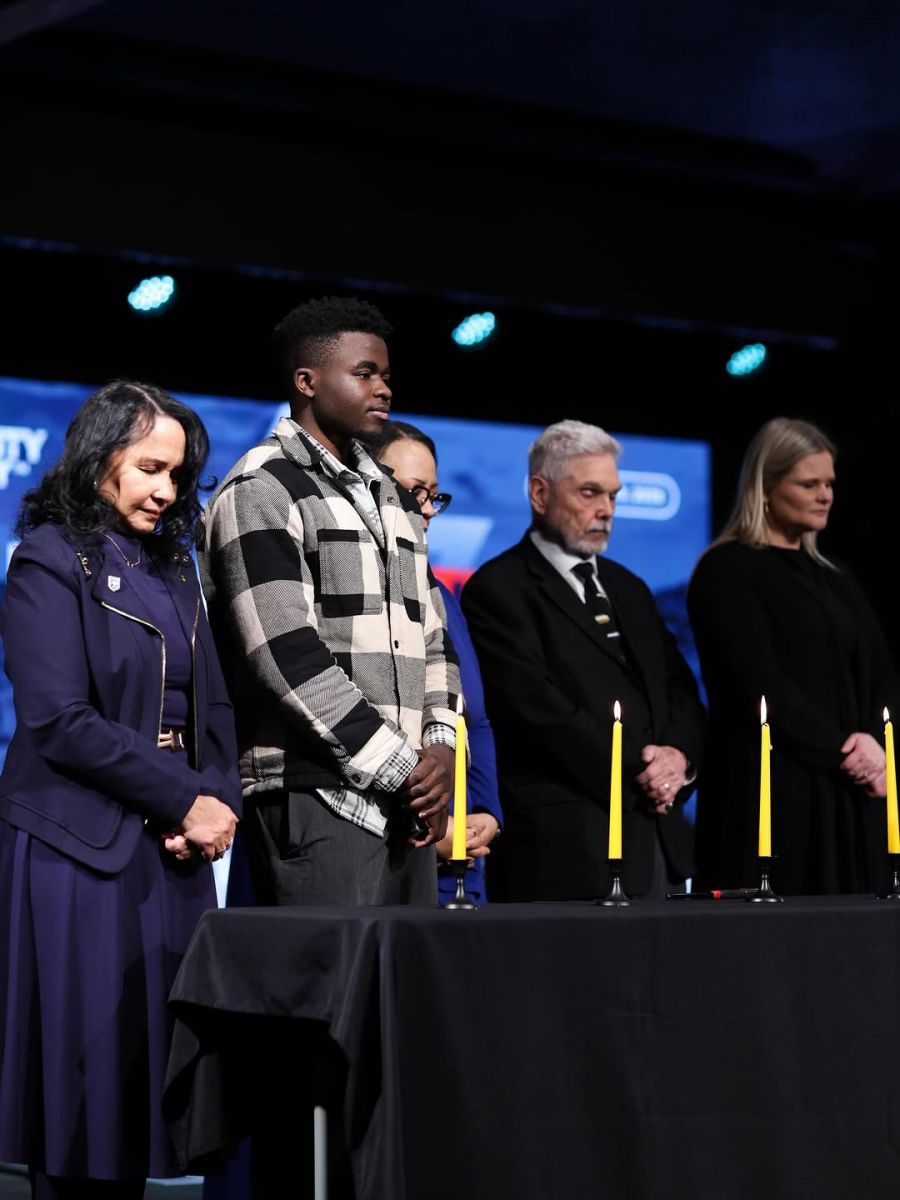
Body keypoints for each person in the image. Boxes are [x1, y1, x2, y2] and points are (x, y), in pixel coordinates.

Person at [0, 380, 241, 1200]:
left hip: (170, 857)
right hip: (79, 849)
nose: (166, 491)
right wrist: (183, 799)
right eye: (149, 469)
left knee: (141, 1098)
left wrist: (216, 800)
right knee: (80, 1106)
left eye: (177, 474)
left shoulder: (176, 565)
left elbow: (215, 706)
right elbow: (57, 719)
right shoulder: (47, 558)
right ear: (99, 458)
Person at [199, 296, 460, 909]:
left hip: (410, 800)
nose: (383, 389)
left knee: (403, 972)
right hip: (315, 792)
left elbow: (434, 636)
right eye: (364, 373)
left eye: (386, 375)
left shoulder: (393, 496)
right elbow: (283, 654)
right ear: (307, 382)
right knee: (328, 973)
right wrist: (401, 766)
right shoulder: (261, 486)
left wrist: (441, 747)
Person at [461, 419, 705, 901]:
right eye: (590, 493)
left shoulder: (629, 587)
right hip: (566, 850)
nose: (606, 510)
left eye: (613, 495)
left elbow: (680, 689)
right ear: (539, 493)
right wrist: (644, 770)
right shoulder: (497, 589)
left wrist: (678, 759)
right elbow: (537, 712)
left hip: (658, 840)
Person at [687, 416, 900, 895]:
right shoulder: (725, 571)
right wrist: (848, 754)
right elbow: (756, 683)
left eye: (829, 484)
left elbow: (884, 674)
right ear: (765, 487)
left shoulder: (836, 576)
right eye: (809, 484)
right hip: (774, 790)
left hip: (851, 791)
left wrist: (876, 743)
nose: (825, 495)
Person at [370, 419, 502, 904]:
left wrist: (485, 812)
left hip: (461, 860)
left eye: (434, 496)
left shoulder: (443, 598)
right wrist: (431, 828)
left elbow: (475, 719)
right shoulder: (354, 596)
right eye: (414, 493)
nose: (427, 510)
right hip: (397, 847)